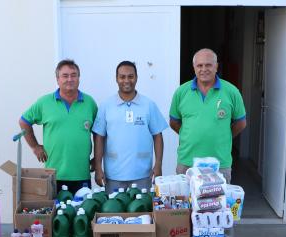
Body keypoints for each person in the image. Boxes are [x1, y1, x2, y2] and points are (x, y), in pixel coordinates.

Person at [19, 59, 98, 196]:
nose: (70, 79)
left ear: (79, 78)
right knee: (57, 215)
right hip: (54, 175)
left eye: (74, 75)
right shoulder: (44, 103)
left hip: (82, 174)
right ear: (57, 79)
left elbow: (98, 134)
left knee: (82, 214)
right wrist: (35, 147)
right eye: (65, 75)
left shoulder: (89, 103)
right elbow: (24, 121)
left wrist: (97, 158)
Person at [169, 48, 246, 182]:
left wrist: (225, 136)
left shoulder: (232, 92)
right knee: (186, 202)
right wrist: (190, 135)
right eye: (199, 65)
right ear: (194, 68)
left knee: (218, 203)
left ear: (216, 66)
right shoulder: (181, 92)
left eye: (208, 65)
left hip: (219, 164)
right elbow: (174, 122)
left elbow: (241, 123)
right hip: (187, 162)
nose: (204, 69)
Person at [93, 61, 167, 194]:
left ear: (136, 78)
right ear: (116, 79)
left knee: (142, 211)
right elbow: (99, 138)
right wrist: (98, 168)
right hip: (114, 175)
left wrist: (158, 164)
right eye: (122, 77)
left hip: (143, 175)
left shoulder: (148, 105)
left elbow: (158, 136)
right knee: (115, 211)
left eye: (130, 76)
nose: (126, 80)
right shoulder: (106, 106)